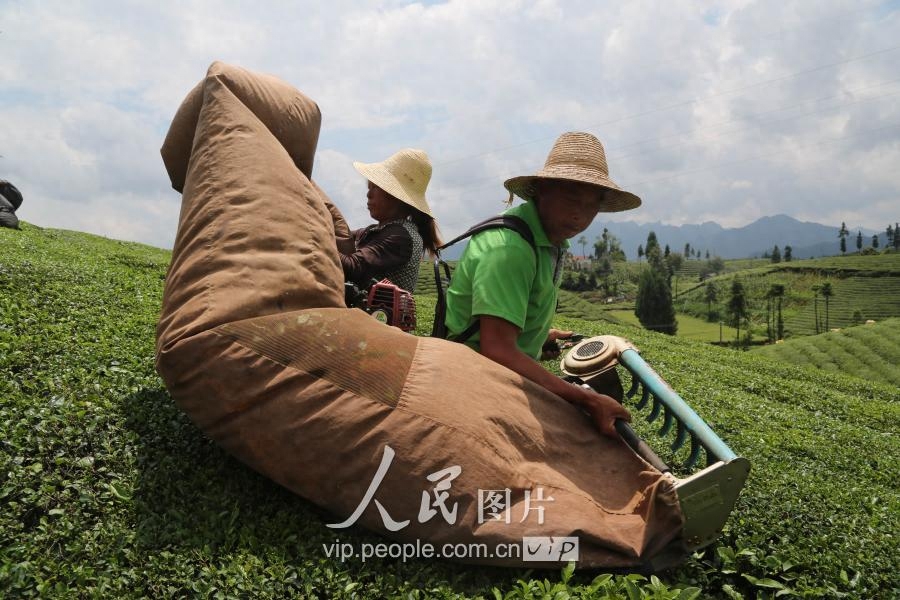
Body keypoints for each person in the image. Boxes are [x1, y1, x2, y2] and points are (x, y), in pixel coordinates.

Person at [444, 132, 640, 437]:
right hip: (474, 378)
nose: (579, 215)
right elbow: (497, 349)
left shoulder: (551, 242)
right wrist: (585, 397)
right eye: (572, 198)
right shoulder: (510, 249)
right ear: (542, 190)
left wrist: (538, 336)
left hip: (499, 371)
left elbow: (503, 325)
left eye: (591, 206)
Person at [340, 149, 442, 293]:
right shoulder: (376, 230)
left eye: (375, 188)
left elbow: (353, 267)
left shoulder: (400, 237)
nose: (368, 194)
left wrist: (316, 243)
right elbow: (342, 234)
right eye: (369, 188)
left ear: (395, 196)